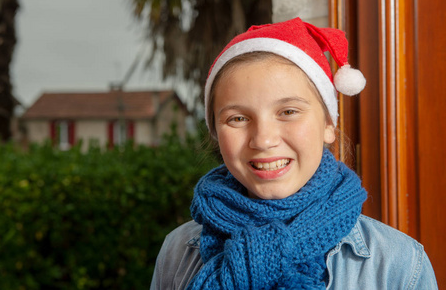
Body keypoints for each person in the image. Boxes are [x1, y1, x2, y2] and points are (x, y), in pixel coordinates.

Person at [150, 17, 438, 289]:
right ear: (215, 131)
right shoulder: (178, 252)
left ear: (328, 124)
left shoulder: (399, 264)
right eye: (237, 118)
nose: (263, 140)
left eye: (288, 111)